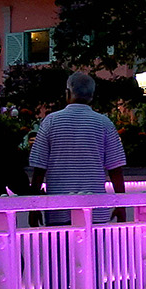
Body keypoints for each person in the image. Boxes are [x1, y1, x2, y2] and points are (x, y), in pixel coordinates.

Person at [27, 71, 129, 203]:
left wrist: (34, 206)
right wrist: (121, 205)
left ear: (68, 93)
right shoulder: (104, 123)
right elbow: (115, 169)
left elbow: (39, 168)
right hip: (95, 206)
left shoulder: (50, 121)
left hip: (58, 206)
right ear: (92, 96)